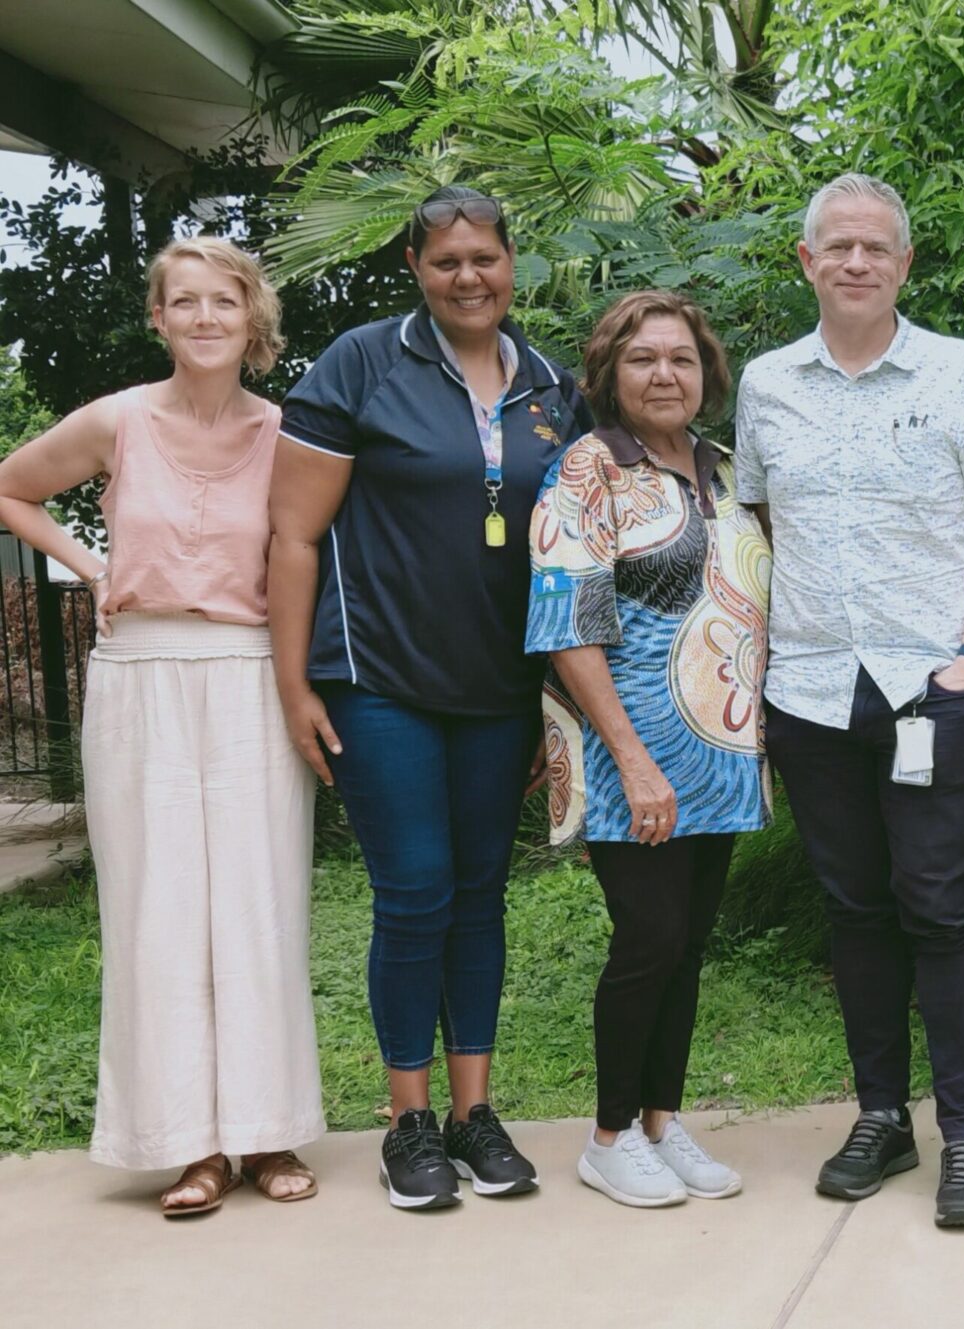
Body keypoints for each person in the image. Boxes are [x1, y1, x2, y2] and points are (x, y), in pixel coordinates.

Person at [270, 186, 591, 1211]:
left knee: (480, 898)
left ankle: (473, 1114)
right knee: (413, 895)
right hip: (380, 681)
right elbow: (293, 536)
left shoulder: (551, 385)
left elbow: (573, 548)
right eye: (446, 260)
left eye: (485, 259)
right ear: (415, 264)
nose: (468, 277)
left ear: (511, 263)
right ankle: (407, 1123)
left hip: (499, 687)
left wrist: (560, 701)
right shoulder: (361, 363)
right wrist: (294, 687)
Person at [0, 237, 324, 1215]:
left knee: (258, 909)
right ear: (159, 318)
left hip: (248, 677)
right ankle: (189, 1148)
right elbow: (12, 486)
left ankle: (266, 1137)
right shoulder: (117, 421)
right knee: (158, 914)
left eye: (222, 302)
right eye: (183, 303)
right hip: (136, 679)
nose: (204, 318)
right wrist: (93, 569)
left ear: (250, 315)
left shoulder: (287, 433)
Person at [733, 172, 964, 1229]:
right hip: (811, 693)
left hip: (925, 690)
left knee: (941, 907)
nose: (857, 262)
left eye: (877, 248)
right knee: (854, 910)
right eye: (837, 247)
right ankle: (879, 1118)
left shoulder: (958, 373)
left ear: (905, 265)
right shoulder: (766, 384)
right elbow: (757, 528)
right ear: (807, 263)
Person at [526, 290, 770, 1208]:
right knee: (648, 938)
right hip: (631, 751)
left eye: (681, 358)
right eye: (643, 359)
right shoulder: (586, 470)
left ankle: (663, 1122)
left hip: (723, 752)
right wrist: (628, 756)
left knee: (689, 943)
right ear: (609, 375)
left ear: (705, 371)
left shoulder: (725, 467)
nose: (664, 374)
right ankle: (609, 1133)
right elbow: (565, 624)